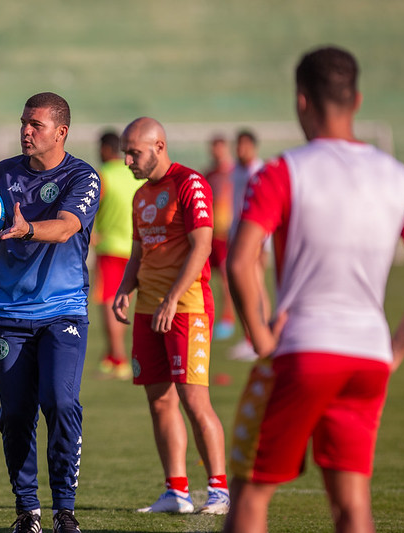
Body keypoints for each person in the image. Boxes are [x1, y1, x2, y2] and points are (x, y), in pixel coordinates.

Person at [224, 46, 404, 533]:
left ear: (301, 101)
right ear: (357, 99)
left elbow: (240, 260)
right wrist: (395, 350)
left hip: (304, 349)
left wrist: (263, 340)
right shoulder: (399, 177)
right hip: (368, 357)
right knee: (352, 507)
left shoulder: (283, 171)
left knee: (250, 494)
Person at [0, 92, 99, 533]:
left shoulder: (83, 177)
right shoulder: (3, 173)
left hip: (63, 311)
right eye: (24, 123)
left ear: (60, 132)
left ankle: (64, 510)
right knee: (15, 414)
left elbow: (68, 226)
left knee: (61, 401)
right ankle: (27, 511)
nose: (26, 131)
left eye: (36, 125)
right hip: (9, 312)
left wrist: (28, 228)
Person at [113, 117, 230, 515]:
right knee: (159, 400)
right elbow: (138, 251)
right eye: (125, 152)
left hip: (187, 308)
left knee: (194, 400)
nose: (127, 159)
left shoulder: (190, 184)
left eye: (134, 152)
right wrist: (126, 289)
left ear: (159, 147)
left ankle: (218, 489)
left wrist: (172, 298)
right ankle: (176, 491)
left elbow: (203, 247)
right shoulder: (140, 196)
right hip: (148, 309)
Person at [92, 130, 140, 380]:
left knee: (110, 302)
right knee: (124, 303)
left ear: (105, 149)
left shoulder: (103, 176)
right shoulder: (135, 174)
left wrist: (91, 233)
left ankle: (119, 358)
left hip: (110, 247)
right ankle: (111, 355)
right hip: (136, 247)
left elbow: (90, 209)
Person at [227, 130, 269, 361]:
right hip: (237, 234)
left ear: (253, 147)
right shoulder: (236, 171)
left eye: (243, 145)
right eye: (237, 145)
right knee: (241, 284)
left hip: (254, 237)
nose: (239, 149)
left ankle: (259, 336)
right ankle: (250, 336)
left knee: (256, 285)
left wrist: (265, 245)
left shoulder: (259, 172)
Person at [203, 135, 236, 340]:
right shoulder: (209, 174)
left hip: (226, 234)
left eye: (220, 148)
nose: (216, 152)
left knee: (226, 280)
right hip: (211, 233)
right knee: (205, 278)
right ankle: (209, 316)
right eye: (213, 148)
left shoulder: (233, 173)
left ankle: (228, 318)